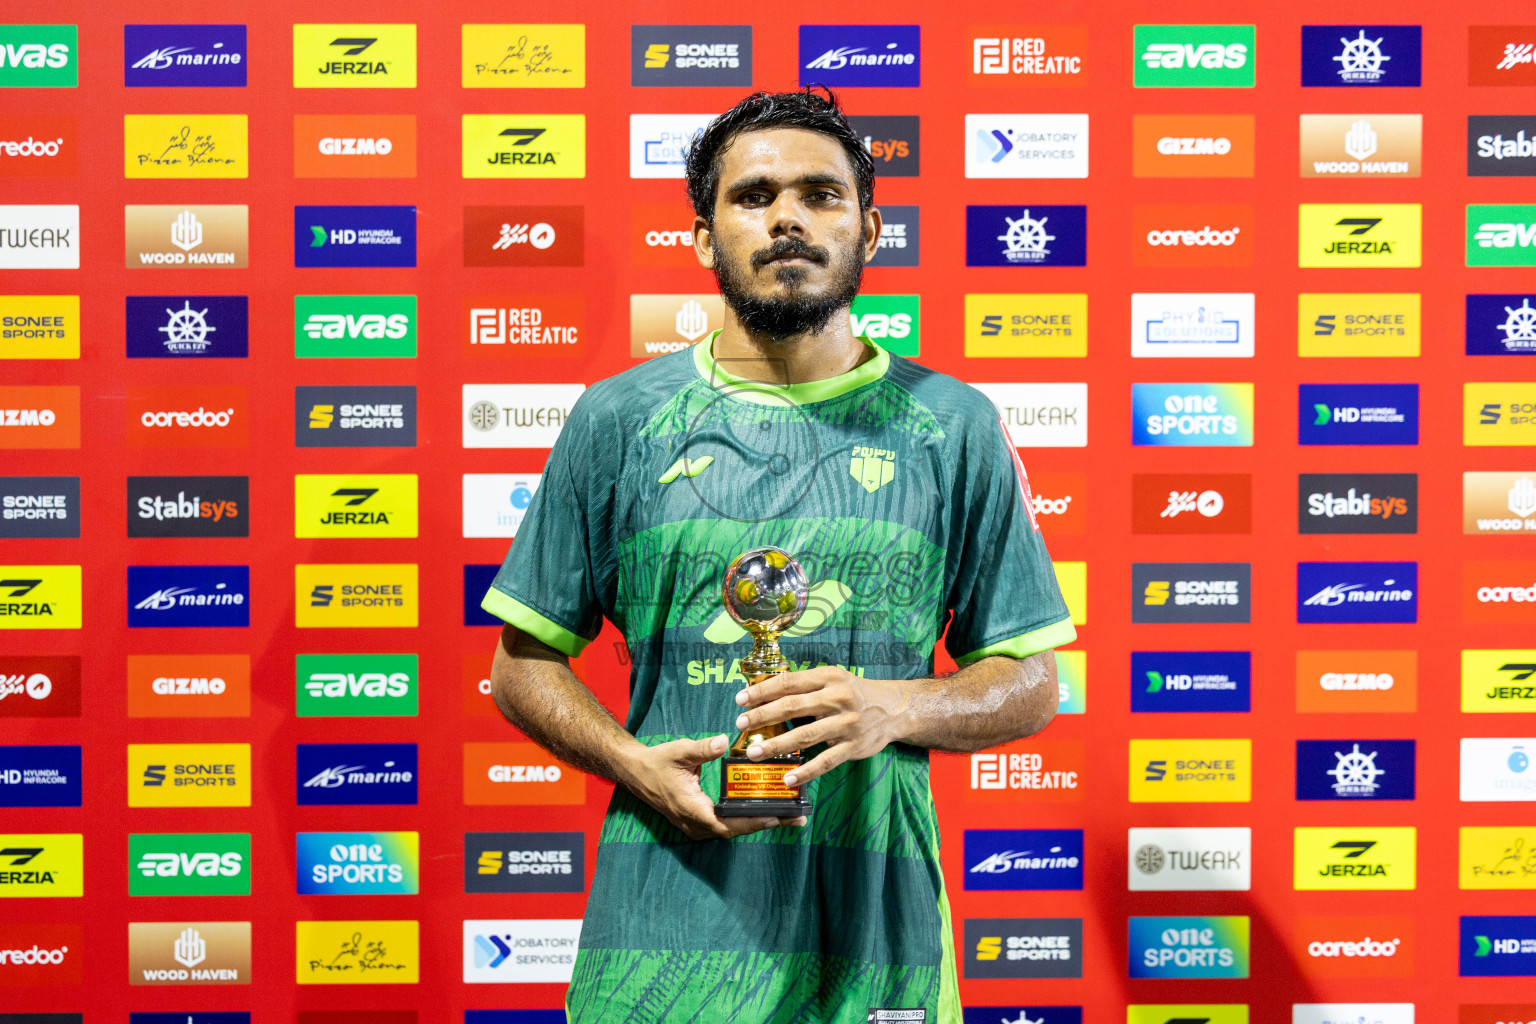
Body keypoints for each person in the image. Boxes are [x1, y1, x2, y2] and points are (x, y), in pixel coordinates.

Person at [481, 86, 1076, 1024]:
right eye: (753, 197)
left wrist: (895, 705)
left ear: (870, 229)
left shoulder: (953, 426)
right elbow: (521, 667)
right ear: (702, 235)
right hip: (662, 949)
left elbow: (1033, 678)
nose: (787, 217)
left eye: (820, 195)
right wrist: (632, 763)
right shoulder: (620, 420)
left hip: (879, 947)